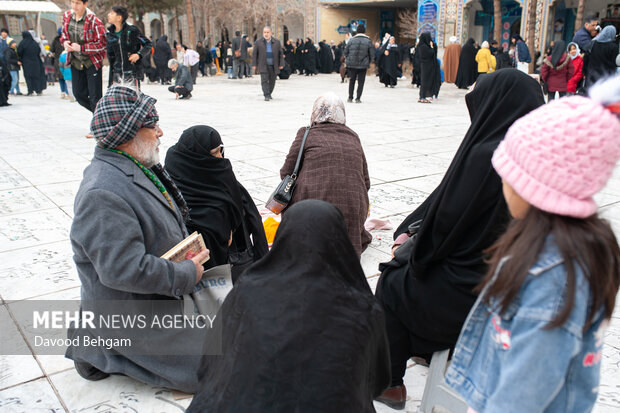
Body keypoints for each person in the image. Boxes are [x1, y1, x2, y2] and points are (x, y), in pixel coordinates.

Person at [446, 75, 620, 413]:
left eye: (511, 173)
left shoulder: (554, 279)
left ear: (540, 185)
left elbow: (523, 396)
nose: (503, 183)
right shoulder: (549, 247)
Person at [374, 69, 545, 410]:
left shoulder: (491, 156)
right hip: (514, 282)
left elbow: (445, 229)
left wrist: (410, 251)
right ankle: (424, 352)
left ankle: (390, 383)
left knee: (393, 281)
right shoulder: (538, 158)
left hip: (474, 289)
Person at [68, 84, 211, 393]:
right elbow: (121, 269)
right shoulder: (102, 193)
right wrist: (184, 273)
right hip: (132, 311)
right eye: (152, 125)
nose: (160, 132)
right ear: (128, 133)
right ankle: (99, 347)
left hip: (158, 295)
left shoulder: (136, 166)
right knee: (221, 366)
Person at [186, 200, 390, 413]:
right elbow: (376, 380)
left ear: (284, 237)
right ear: (340, 242)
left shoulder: (248, 290)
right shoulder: (364, 309)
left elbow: (211, 361)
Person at [165, 125, 269, 281]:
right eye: (214, 153)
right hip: (191, 271)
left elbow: (251, 216)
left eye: (220, 151)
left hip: (231, 264)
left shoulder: (221, 175)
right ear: (196, 157)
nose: (220, 158)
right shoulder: (173, 184)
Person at [280, 92, 371, 257]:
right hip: (352, 214)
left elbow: (286, 172)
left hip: (312, 211)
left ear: (315, 112)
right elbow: (366, 182)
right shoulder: (352, 135)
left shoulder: (306, 133)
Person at [60, 0, 106, 113]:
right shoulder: (67, 16)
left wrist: (81, 48)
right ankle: (102, 116)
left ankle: (98, 125)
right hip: (75, 61)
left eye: (78, 3)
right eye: (73, 2)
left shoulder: (94, 21)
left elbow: (102, 44)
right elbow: (64, 35)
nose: (74, 6)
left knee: (95, 97)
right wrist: (65, 42)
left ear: (85, 4)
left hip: (92, 62)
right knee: (78, 94)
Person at [105, 6, 151, 88]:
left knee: (132, 99)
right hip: (117, 74)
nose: (108, 15)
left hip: (132, 73)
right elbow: (111, 58)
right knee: (118, 100)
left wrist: (139, 55)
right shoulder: (110, 35)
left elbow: (148, 44)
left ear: (119, 18)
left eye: (111, 13)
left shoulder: (132, 31)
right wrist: (110, 80)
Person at [252, 26, 284, 101]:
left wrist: (281, 64)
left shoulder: (276, 42)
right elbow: (255, 54)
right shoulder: (258, 42)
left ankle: (269, 93)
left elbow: (280, 54)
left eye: (267, 32)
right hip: (263, 64)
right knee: (264, 80)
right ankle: (266, 95)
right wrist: (254, 64)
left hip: (273, 65)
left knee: (272, 80)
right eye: (264, 32)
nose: (266, 34)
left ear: (271, 33)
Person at [344, 24, 373, 103]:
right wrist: (368, 62)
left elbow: (345, 52)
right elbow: (371, 54)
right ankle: (358, 98)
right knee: (361, 82)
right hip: (363, 65)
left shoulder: (351, 40)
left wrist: (349, 59)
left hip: (352, 64)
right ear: (364, 31)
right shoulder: (368, 41)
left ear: (357, 31)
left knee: (352, 80)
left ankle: (350, 97)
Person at [17, 31, 46, 96]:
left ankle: (30, 91)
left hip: (26, 63)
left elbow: (19, 52)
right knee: (36, 76)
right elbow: (38, 51)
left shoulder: (22, 43)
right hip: (36, 62)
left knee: (28, 77)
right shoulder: (34, 43)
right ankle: (38, 90)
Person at [417, 32, 440, 103]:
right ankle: (422, 97)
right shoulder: (423, 47)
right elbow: (431, 53)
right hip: (426, 66)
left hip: (427, 66)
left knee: (425, 81)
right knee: (425, 81)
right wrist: (432, 47)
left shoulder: (422, 46)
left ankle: (422, 96)